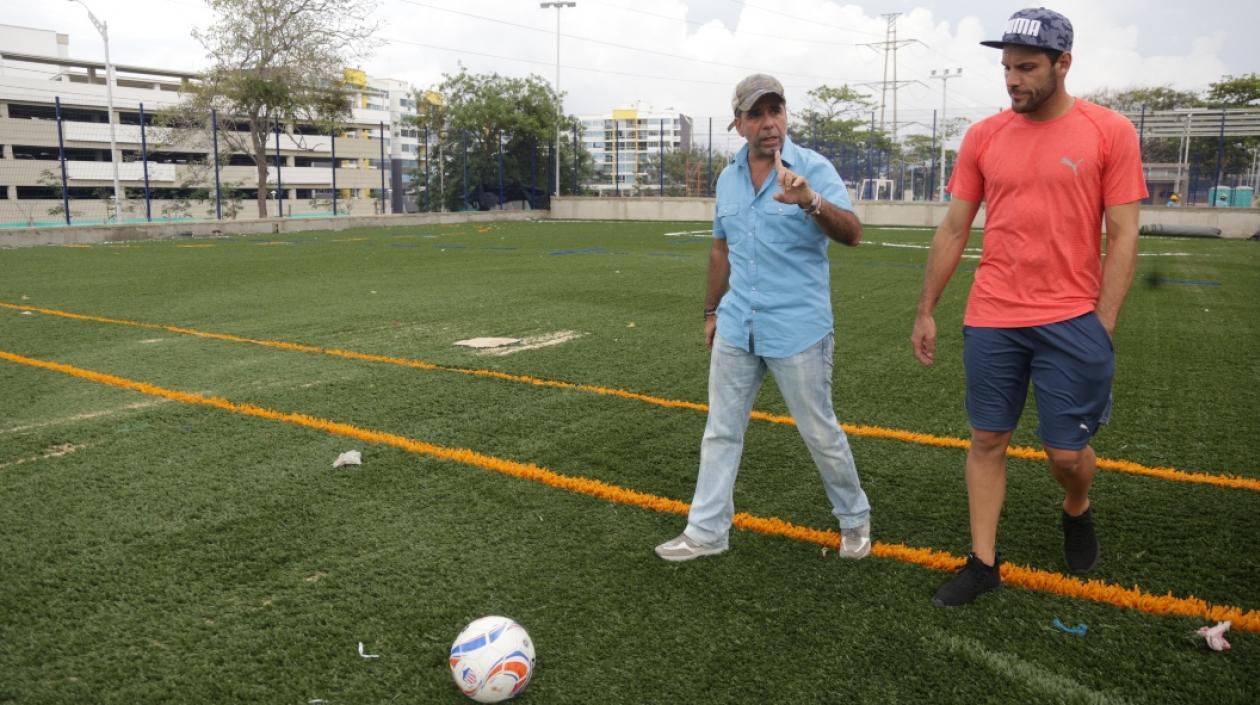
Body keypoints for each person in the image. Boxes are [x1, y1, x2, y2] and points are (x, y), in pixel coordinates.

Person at [909, 8, 1146, 607]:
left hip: (1071, 318)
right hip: (992, 315)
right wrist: (926, 309)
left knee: (1066, 454)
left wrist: (1103, 325)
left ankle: (1077, 505)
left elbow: (1123, 235)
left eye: (1027, 68)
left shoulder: (1108, 131)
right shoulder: (984, 136)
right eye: (1007, 68)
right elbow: (955, 228)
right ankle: (983, 562)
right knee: (987, 439)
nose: (1013, 80)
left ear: (1063, 65)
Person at [655, 74, 871, 562]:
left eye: (776, 111)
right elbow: (720, 248)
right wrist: (711, 311)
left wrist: (811, 201)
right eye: (757, 114)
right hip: (736, 326)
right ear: (739, 125)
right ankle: (706, 532)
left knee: (819, 431)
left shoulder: (813, 168)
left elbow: (853, 233)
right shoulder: (728, 177)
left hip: (798, 330)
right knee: (721, 430)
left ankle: (855, 518)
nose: (769, 123)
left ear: (786, 117)